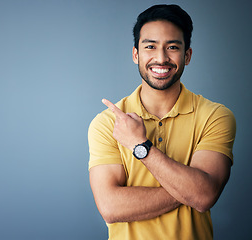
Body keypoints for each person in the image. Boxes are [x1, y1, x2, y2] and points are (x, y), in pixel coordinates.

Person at [88, 4, 236, 240]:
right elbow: (110, 207)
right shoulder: (108, 123)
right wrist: (190, 190)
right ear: (136, 54)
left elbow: (204, 197)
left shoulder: (215, 116)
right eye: (150, 46)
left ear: (187, 55)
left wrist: (140, 145)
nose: (161, 58)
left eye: (172, 47)